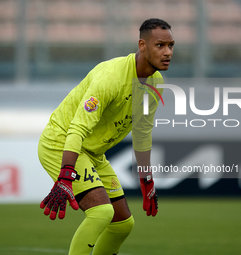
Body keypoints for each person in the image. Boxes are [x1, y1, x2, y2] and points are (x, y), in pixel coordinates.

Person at [38, 18, 175, 255]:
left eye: (171, 45)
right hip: (61, 142)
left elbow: (142, 133)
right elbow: (77, 129)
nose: (168, 52)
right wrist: (65, 176)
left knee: (123, 224)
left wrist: (146, 180)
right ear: (142, 45)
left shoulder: (156, 83)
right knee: (102, 212)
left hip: (92, 152)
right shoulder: (111, 77)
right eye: (160, 45)